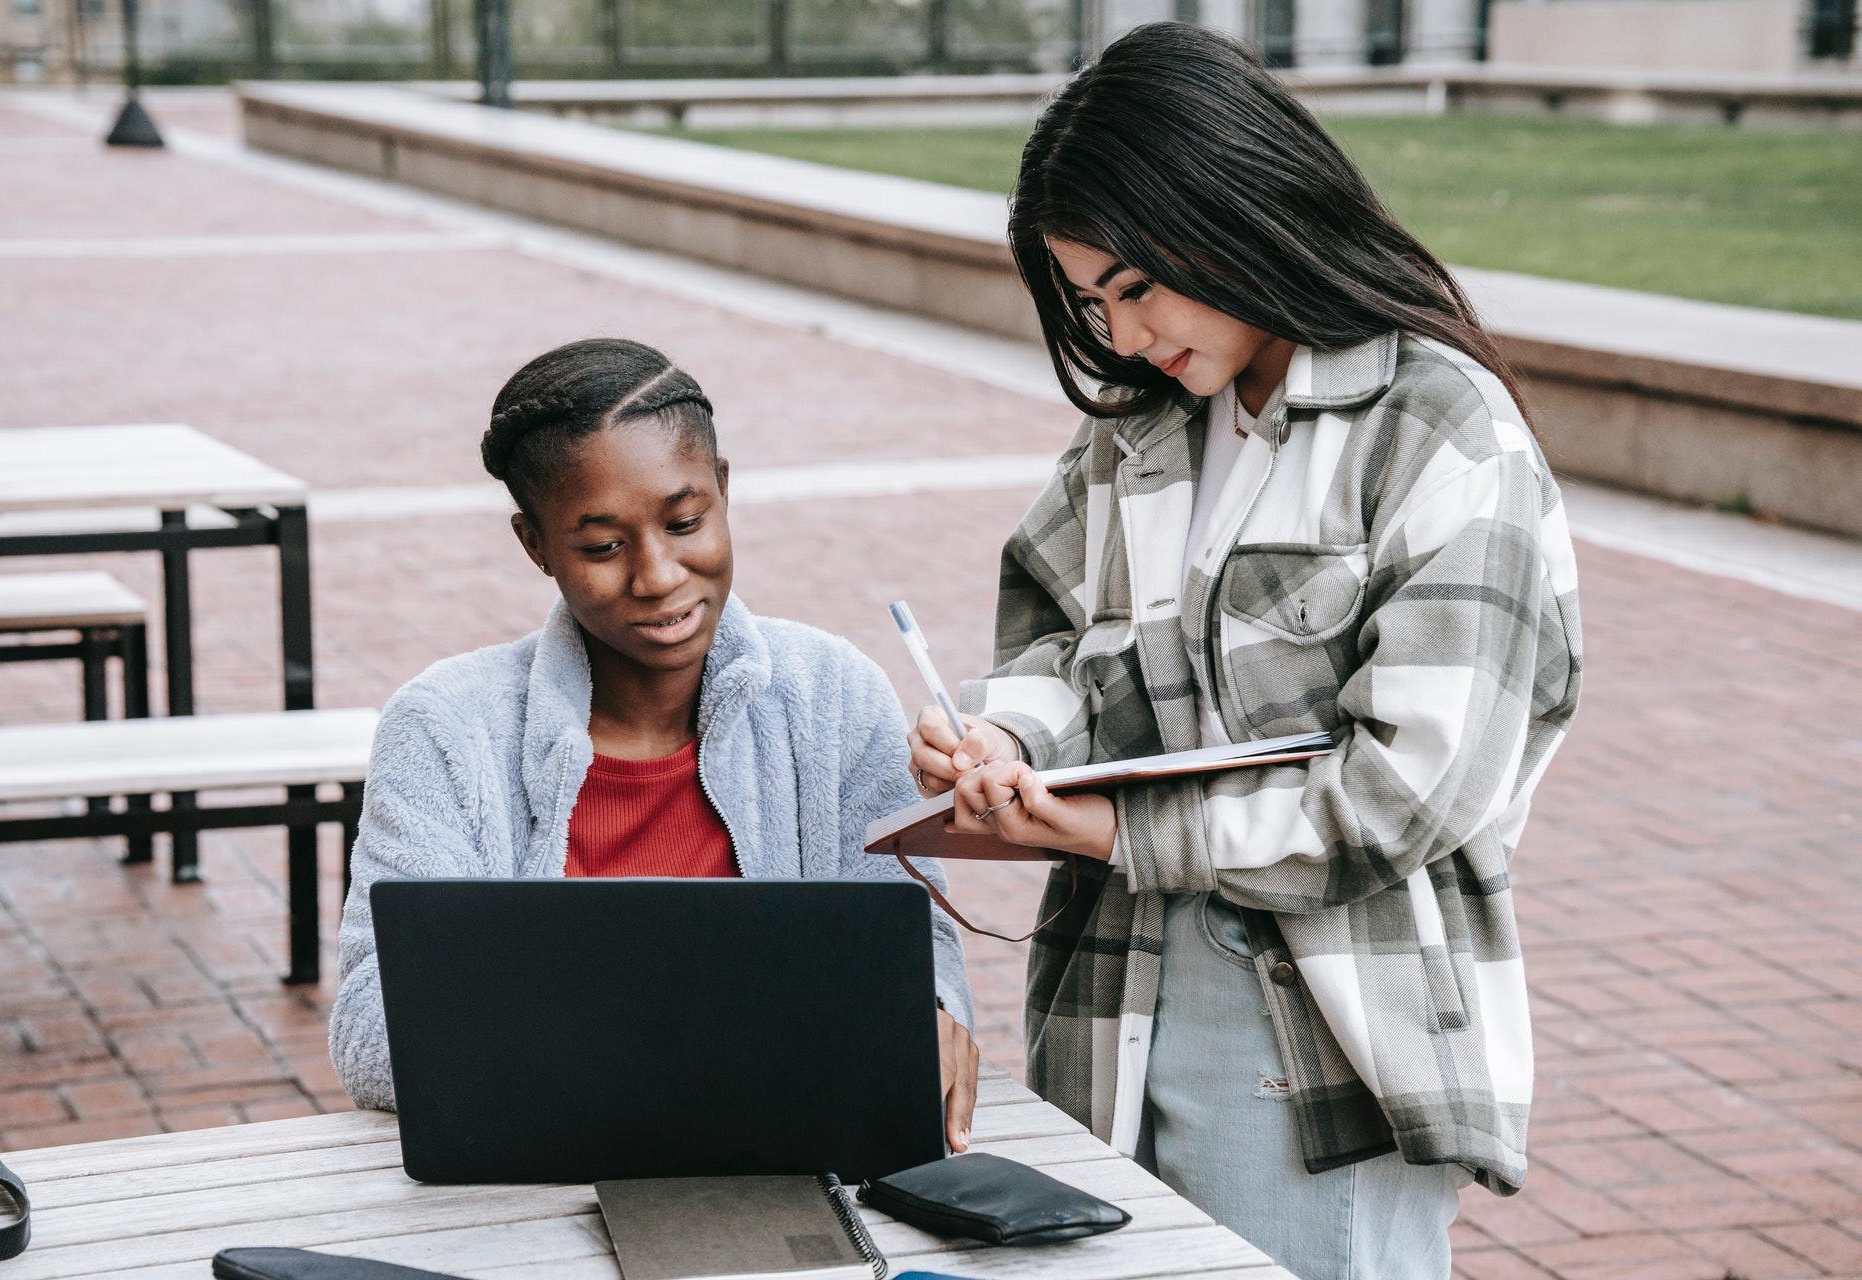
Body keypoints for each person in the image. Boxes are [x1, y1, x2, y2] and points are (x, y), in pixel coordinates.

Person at [906, 24, 1583, 1280]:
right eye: (1090, 303)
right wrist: (1009, 734)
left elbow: (1405, 792)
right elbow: (1065, 635)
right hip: (1115, 988)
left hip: (1326, 1018)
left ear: (1228, 203)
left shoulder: (1438, 428)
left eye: (1134, 285)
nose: (1118, 334)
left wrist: (1113, 833)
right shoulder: (1142, 431)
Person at [332, 337, 979, 1151]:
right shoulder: (443, 729)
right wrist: (748, 1035)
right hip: (531, 1175)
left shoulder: (834, 695)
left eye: (685, 522)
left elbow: (914, 949)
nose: (659, 574)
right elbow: (370, 1030)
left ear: (725, 491)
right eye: (602, 547)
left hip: (787, 1163)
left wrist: (929, 1014)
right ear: (535, 545)